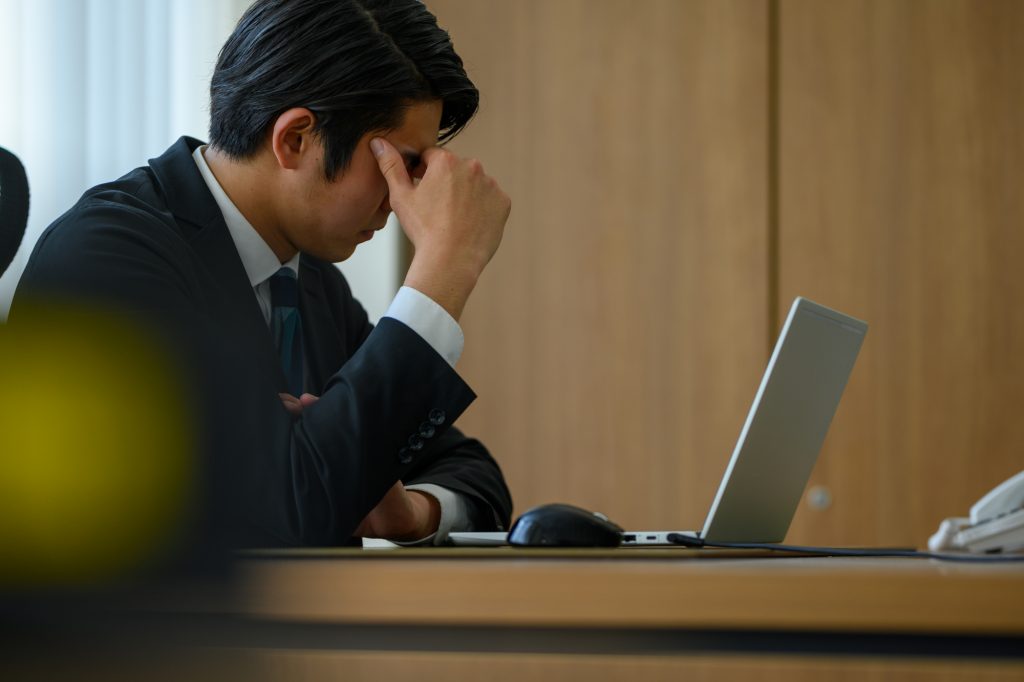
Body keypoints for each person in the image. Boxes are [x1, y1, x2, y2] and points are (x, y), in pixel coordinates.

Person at [10, 0, 513, 549]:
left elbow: (471, 472)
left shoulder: (310, 281)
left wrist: (415, 512)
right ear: (295, 139)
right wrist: (442, 269)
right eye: (402, 163)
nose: (403, 198)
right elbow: (286, 508)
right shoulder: (107, 259)